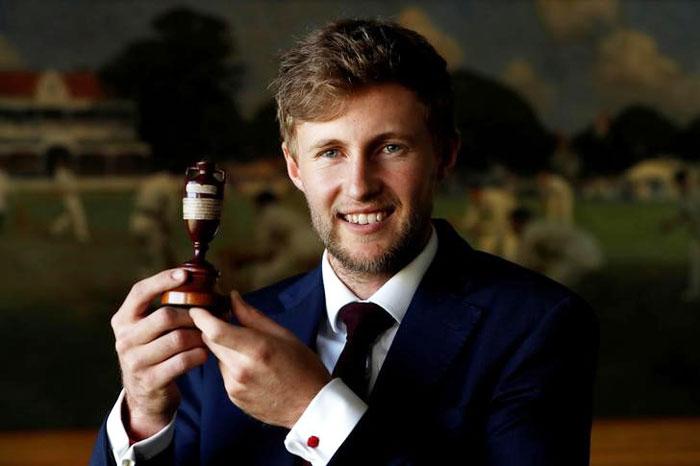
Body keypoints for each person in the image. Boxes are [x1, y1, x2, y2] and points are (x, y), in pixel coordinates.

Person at [90, 19, 598, 466]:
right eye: (330, 152)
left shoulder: (538, 325)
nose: (359, 185)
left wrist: (315, 412)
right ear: (294, 168)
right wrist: (142, 416)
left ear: (444, 156)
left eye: (391, 147)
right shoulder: (226, 337)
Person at [506, 207, 603, 288]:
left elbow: (524, 264)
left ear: (517, 222)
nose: (510, 228)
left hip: (576, 259)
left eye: (511, 223)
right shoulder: (540, 226)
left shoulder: (531, 232)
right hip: (592, 254)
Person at [129, 170, 180, 276]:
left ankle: (142, 282)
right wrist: (168, 228)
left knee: (143, 259)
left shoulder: (150, 181)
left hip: (137, 220)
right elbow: (171, 209)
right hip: (153, 222)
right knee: (156, 260)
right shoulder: (169, 185)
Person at [662, 169, 700, 302]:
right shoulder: (684, 196)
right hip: (696, 235)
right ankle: (695, 290)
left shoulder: (696, 194)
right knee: (696, 262)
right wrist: (670, 224)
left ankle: (695, 291)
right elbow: (684, 215)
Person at [462, 184, 517, 256]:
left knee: (510, 251)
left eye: (473, 194)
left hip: (508, 226)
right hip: (492, 231)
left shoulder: (496, 199)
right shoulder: (475, 200)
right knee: (485, 246)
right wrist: (463, 224)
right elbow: (471, 221)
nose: (471, 197)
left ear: (479, 192)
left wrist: (482, 228)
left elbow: (501, 222)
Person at [49, 158, 90, 242]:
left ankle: (55, 229)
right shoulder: (60, 174)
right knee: (78, 215)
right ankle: (82, 236)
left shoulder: (67, 173)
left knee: (69, 216)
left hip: (73, 196)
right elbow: (62, 187)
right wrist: (70, 190)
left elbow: (73, 183)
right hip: (69, 197)